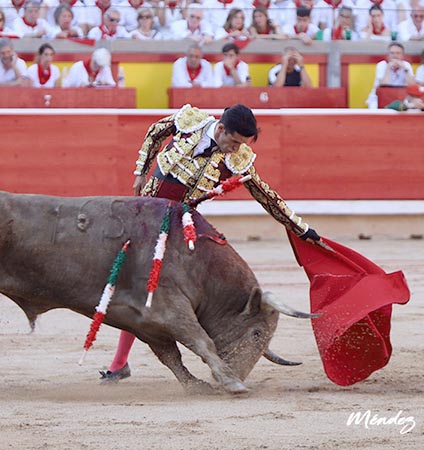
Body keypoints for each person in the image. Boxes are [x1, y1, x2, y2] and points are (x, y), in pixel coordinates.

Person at [99, 103, 321, 383]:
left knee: (146, 285)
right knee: (135, 283)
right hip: (144, 215)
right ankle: (123, 362)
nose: (235, 149)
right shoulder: (189, 122)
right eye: (234, 141)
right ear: (220, 129)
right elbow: (155, 132)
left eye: (241, 144)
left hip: (178, 227)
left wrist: (301, 227)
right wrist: (140, 172)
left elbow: (266, 195)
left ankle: (123, 362)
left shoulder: (237, 159)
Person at [366, 42, 416, 108]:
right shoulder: (381, 65)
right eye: (392, 53)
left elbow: (412, 85)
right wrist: (388, 68)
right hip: (379, 97)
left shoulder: (406, 65)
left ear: (402, 55)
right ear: (388, 55)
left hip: (400, 97)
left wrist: (404, 69)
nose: (395, 55)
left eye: (398, 53)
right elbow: (384, 84)